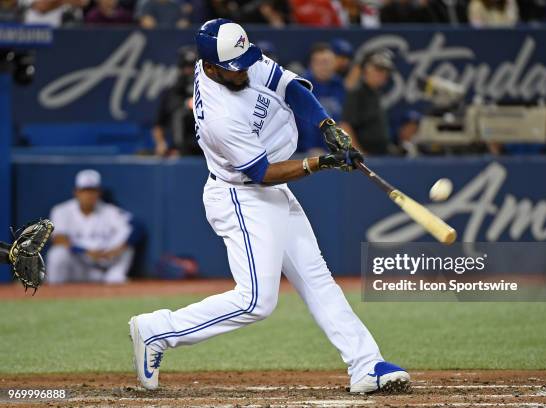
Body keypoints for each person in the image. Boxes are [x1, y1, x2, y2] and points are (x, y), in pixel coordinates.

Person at [128, 18, 410, 394]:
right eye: (234, 69)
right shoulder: (219, 117)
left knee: (317, 279)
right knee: (256, 301)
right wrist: (320, 162)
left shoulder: (230, 55)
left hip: (270, 191)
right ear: (210, 69)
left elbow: (289, 86)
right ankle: (157, 330)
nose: (244, 71)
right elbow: (262, 173)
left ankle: (366, 365)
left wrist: (326, 125)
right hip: (241, 195)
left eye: (245, 62)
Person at [46, 169, 134, 284]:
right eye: (85, 190)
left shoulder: (111, 211)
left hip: (102, 267)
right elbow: (58, 239)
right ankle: (54, 291)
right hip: (77, 265)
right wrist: (85, 251)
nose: (89, 195)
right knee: (57, 253)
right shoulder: (62, 210)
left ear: (99, 192)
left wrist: (116, 249)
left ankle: (115, 279)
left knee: (127, 249)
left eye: (93, 190)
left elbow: (135, 229)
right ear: (76, 192)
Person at [341, 50, 398, 156]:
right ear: (367, 70)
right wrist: (358, 153)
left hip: (381, 154)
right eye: (379, 69)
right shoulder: (357, 93)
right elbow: (345, 126)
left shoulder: (376, 94)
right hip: (366, 157)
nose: (383, 74)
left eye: (386, 71)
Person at [152, 46, 200, 157]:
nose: (189, 71)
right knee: (180, 114)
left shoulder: (211, 92)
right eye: (186, 67)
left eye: (192, 67)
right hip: (180, 150)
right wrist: (160, 144)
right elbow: (159, 124)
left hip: (209, 149)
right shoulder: (171, 92)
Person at [299, 43, 346, 153]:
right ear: (311, 64)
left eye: (328, 62)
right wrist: (309, 148)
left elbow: (343, 119)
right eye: (320, 63)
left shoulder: (339, 85)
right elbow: (300, 123)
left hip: (336, 151)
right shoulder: (301, 86)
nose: (324, 66)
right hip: (305, 153)